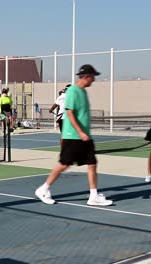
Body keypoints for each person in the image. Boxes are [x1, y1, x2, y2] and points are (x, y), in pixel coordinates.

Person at [35, 64, 113, 206]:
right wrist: (81, 132)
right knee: (64, 164)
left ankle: (93, 196)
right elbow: (69, 113)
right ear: (87, 76)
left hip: (84, 137)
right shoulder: (72, 91)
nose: (94, 80)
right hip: (73, 136)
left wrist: (85, 133)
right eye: (93, 77)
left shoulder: (83, 92)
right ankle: (43, 189)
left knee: (92, 164)